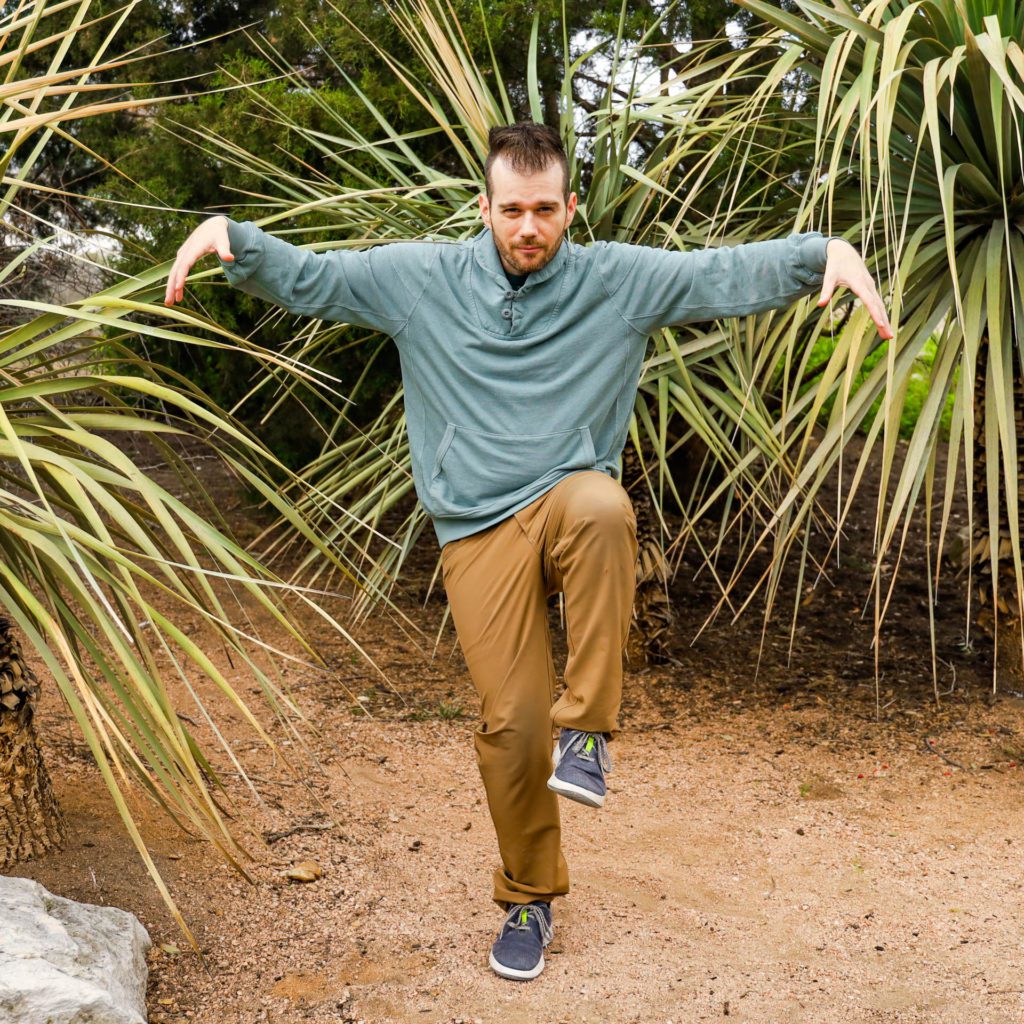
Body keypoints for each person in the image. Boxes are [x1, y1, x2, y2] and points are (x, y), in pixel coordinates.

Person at [165, 121, 893, 982]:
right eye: (511, 210)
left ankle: (585, 732)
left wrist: (824, 257)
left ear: (570, 208)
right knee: (509, 725)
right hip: (474, 525)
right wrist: (232, 241)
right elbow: (318, 279)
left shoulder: (614, 281)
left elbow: (716, 272)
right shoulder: (422, 280)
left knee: (600, 503)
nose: (528, 229)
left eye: (546, 209)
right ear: (484, 207)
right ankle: (527, 899)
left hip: (565, 499)